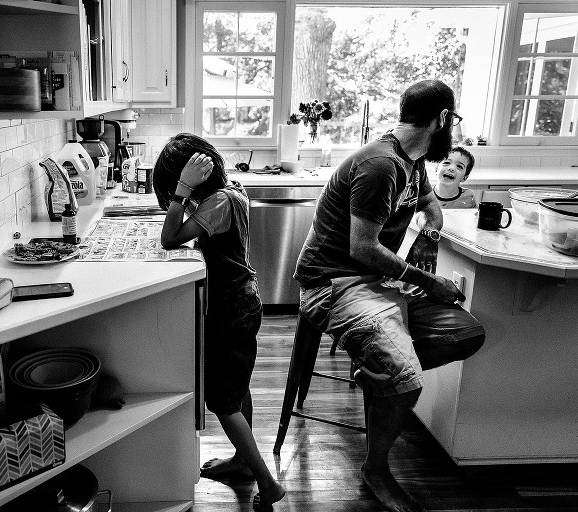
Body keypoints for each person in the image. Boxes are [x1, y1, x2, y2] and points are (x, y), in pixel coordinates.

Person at [294, 80, 486, 512]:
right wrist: (428, 280)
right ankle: (376, 468)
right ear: (441, 120)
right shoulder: (380, 165)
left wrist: (431, 228)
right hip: (334, 283)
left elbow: (428, 203)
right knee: (406, 377)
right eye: (451, 122)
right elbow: (361, 248)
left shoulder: (413, 161)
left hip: (375, 284)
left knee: (465, 333)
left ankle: (377, 370)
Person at [153, 133, 286, 512]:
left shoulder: (215, 203)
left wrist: (181, 192)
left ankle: (268, 483)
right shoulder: (232, 190)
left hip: (231, 308)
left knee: (221, 402)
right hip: (245, 300)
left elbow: (169, 238)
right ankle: (244, 462)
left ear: (194, 177)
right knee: (236, 386)